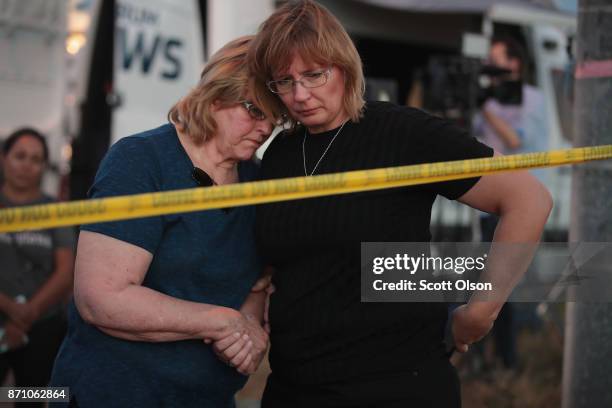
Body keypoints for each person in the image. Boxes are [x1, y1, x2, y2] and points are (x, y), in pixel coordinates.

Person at [248, 1, 552, 406]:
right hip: (294, 385)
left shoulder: (403, 133)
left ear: (344, 66)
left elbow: (529, 199)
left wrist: (480, 312)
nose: (300, 94)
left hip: (396, 384)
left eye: (313, 75)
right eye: (283, 82)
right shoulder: (279, 153)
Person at [50, 36, 281, 407]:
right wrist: (220, 321)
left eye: (276, 118)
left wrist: (249, 332)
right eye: (255, 111)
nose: (266, 128)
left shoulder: (257, 181)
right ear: (216, 94)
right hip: (115, 394)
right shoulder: (141, 160)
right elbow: (102, 297)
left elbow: (258, 280)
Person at [474, 36, 549, 371]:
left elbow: (515, 139)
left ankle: (510, 361)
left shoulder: (531, 99)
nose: (490, 63)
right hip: (484, 202)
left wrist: (484, 108)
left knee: (508, 284)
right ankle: (482, 353)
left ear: (516, 63)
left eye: (497, 57)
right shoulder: (486, 98)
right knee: (483, 282)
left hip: (517, 205)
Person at [0, 128, 75, 406]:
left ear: (44, 166)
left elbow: (66, 272)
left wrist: (28, 314)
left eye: (35, 159)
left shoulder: (57, 211)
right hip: (6, 314)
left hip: (42, 326)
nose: (26, 165)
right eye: (19, 156)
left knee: (35, 397)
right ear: (3, 158)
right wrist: (10, 309)